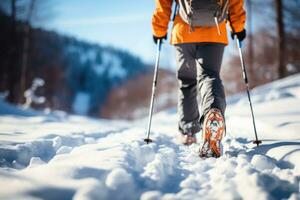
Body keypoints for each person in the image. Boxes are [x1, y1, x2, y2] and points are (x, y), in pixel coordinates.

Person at [152, 0, 246, 157]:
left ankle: (188, 132)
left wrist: (159, 30)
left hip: (184, 32)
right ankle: (213, 114)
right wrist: (238, 27)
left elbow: (163, 3)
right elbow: (235, 2)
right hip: (215, 32)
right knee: (210, 76)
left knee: (187, 82)